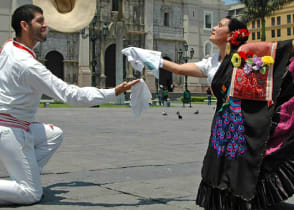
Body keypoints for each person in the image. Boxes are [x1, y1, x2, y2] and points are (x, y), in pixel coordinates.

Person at [124, 16, 294, 210]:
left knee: (244, 164)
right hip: (222, 124)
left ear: (232, 35)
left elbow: (282, 51)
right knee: (218, 166)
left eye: (220, 25)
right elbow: (179, 68)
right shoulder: (211, 62)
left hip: (244, 122)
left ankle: (251, 200)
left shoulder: (247, 53)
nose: (214, 28)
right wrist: (147, 57)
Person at [0, 4, 139, 205]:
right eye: (40, 21)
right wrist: (114, 92)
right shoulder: (28, 66)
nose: (46, 25)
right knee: (31, 194)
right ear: (24, 25)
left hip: (14, 125)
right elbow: (71, 95)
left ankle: (26, 175)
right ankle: (25, 184)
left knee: (54, 135)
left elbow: (29, 45)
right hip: (12, 130)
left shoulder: (9, 47)